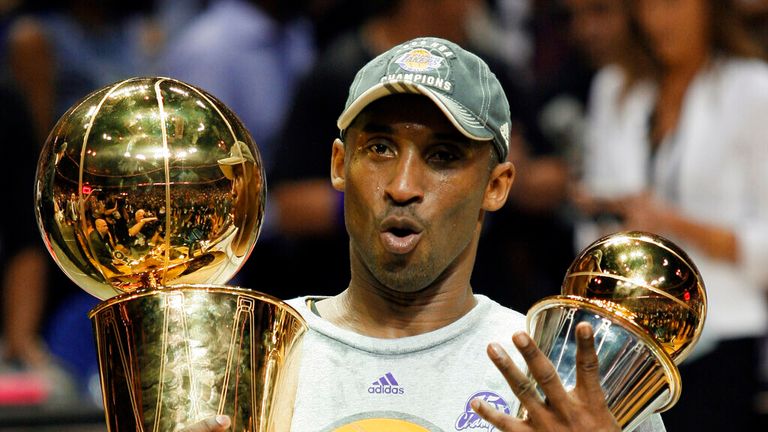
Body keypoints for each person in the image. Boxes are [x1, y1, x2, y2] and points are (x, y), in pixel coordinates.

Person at [182, 36, 665, 432]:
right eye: (380, 147)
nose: (403, 187)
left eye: (442, 157)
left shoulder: (566, 382)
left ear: (496, 188)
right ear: (339, 165)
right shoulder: (237, 358)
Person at [572, 0, 768, 430]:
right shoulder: (614, 87)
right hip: (626, 337)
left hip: (724, 330)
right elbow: (591, 227)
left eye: (673, 5)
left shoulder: (753, 89)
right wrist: (604, 212)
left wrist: (669, 224)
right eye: (646, 6)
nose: (657, 19)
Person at [216, 140, 264, 258]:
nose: (233, 192)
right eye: (233, 180)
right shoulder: (222, 242)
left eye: (238, 176)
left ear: (257, 179)